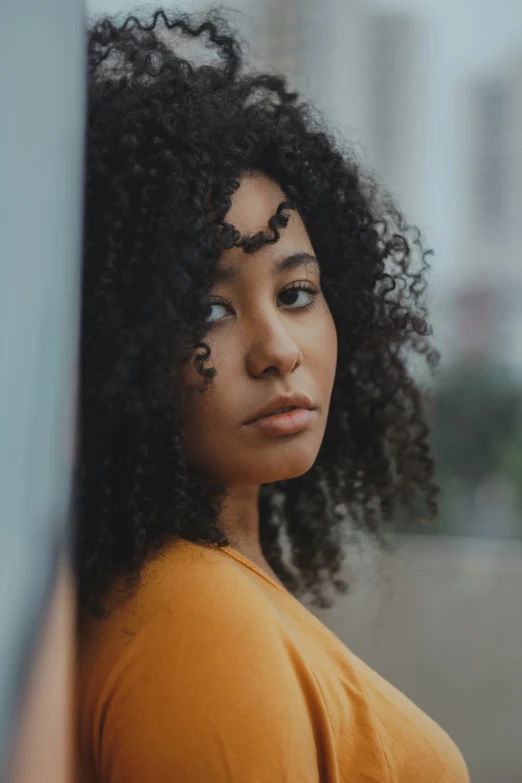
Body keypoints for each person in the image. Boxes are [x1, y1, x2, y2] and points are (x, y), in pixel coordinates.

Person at [75, 7, 470, 782]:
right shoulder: (196, 621)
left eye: (295, 292)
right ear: (119, 347)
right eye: (208, 310)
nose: (278, 351)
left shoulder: (216, 590)